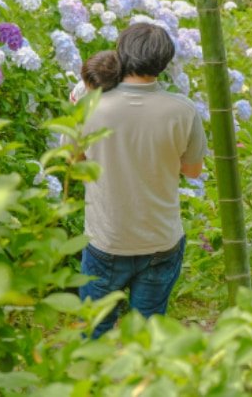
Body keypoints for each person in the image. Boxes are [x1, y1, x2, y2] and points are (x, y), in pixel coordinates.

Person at [78, 23, 208, 338]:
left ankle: (91, 383)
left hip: (106, 239)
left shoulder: (91, 106)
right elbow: (192, 171)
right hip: (160, 239)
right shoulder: (183, 110)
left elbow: (74, 162)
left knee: (94, 330)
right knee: (148, 335)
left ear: (122, 55)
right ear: (163, 63)